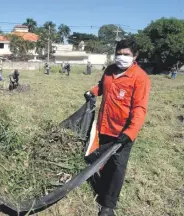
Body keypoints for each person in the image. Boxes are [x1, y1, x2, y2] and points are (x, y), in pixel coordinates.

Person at [84, 39, 151, 216]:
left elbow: (140, 108)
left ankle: (108, 205)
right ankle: (102, 186)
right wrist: (92, 92)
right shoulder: (110, 70)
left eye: (126, 54)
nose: (121, 57)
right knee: (103, 161)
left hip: (123, 132)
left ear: (135, 56)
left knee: (117, 166)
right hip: (104, 126)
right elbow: (102, 86)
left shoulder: (140, 77)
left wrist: (130, 133)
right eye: (119, 53)